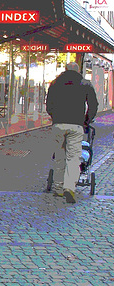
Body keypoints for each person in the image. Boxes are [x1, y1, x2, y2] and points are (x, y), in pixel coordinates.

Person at [45, 61, 98, 203]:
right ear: (78, 70)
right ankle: (69, 187)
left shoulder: (55, 83)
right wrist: (87, 120)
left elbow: (49, 104)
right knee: (73, 157)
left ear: (65, 69)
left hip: (58, 124)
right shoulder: (85, 84)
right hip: (76, 125)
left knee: (59, 155)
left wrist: (55, 116)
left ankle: (58, 187)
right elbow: (93, 105)